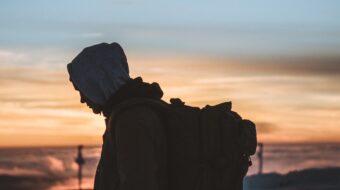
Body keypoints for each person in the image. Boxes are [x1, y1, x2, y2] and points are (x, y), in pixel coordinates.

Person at [67, 42, 167, 190]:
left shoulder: (131, 121)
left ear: (97, 82)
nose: (82, 99)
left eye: (82, 89)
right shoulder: (131, 113)